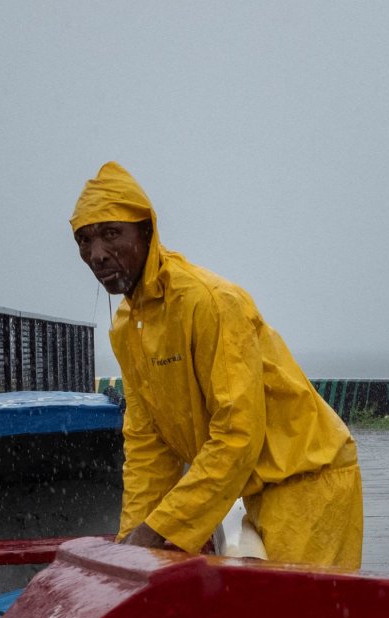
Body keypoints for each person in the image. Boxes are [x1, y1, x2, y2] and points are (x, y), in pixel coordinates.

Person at [70, 161, 363, 569]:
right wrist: (130, 541)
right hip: (258, 488)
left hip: (308, 482)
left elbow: (236, 434)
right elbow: (147, 442)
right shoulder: (126, 328)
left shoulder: (208, 302)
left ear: (147, 232)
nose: (97, 254)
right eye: (84, 240)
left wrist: (160, 530)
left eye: (111, 234)